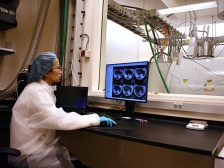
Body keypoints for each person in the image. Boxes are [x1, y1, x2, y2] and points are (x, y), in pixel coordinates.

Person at [9, 52, 116, 168]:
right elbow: (61, 121)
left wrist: (92, 118)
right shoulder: (37, 93)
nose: (61, 71)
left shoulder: (41, 89)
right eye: (58, 67)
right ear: (46, 72)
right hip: (30, 156)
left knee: (76, 162)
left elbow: (58, 116)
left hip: (37, 149)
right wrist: (96, 119)